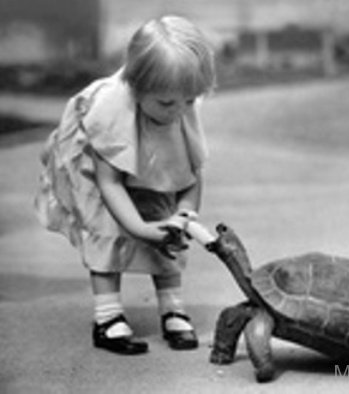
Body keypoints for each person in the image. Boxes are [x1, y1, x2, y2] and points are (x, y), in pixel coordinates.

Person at [34, 15, 216, 355]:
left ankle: (172, 308)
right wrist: (139, 229)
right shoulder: (111, 112)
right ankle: (108, 317)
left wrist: (184, 215)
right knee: (106, 233)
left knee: (166, 231)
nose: (178, 111)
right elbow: (111, 183)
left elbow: (191, 174)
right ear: (137, 87)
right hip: (103, 180)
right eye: (166, 103)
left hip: (150, 172)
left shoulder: (181, 106)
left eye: (189, 101)